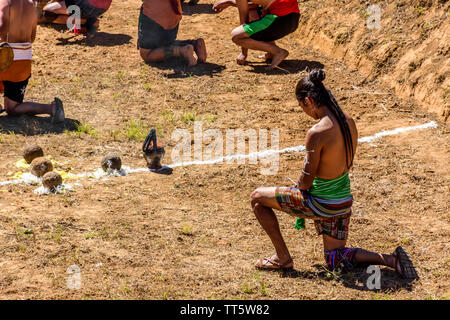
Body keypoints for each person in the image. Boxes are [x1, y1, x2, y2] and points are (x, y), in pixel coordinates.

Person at [250, 69, 419, 279]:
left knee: (257, 198)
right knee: (334, 259)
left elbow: (307, 181)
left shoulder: (317, 133)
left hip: (322, 204)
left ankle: (282, 257)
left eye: (301, 106)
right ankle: (391, 259)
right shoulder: (348, 120)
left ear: (309, 100)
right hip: (342, 202)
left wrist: (298, 186)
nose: (304, 111)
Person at [0, 0, 64, 122]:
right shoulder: (31, 4)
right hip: (24, 62)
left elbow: (1, 27)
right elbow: (32, 37)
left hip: (6, 58)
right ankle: (52, 108)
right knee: (12, 108)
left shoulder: (6, 1)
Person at [213, 0, 300, 70]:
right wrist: (230, 2)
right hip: (292, 18)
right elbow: (253, 5)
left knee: (236, 36)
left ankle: (278, 52)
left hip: (279, 19)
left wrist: (244, 54)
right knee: (253, 12)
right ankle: (271, 53)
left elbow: (243, 22)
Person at [138, 0, 206, 67]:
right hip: (174, 14)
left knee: (146, 54)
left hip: (154, 17)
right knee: (165, 44)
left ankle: (182, 51)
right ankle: (194, 44)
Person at [39, 0, 112, 38]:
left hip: (87, 6)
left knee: (47, 12)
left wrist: (49, 3)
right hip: (103, 7)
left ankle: (87, 21)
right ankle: (84, 20)